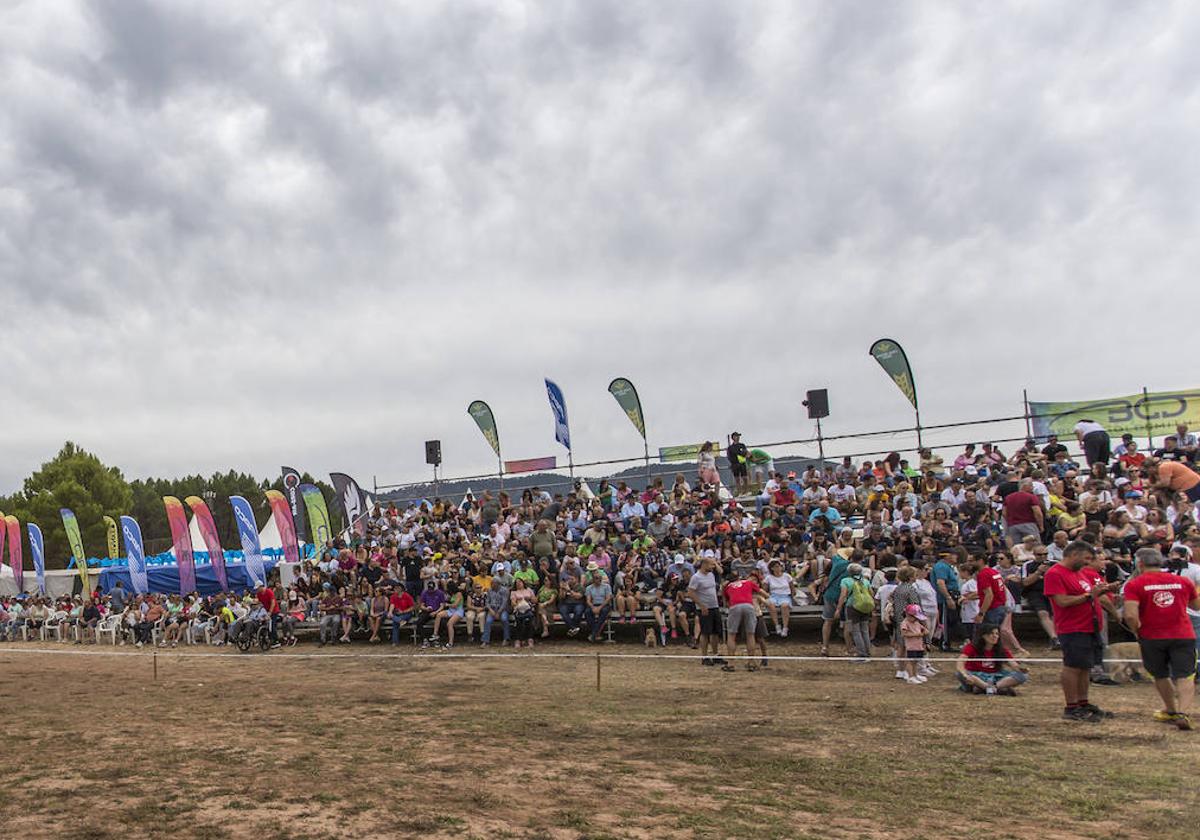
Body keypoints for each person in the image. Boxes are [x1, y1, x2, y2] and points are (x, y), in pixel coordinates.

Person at [1122, 548, 1200, 730]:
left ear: (1139, 564)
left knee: (1160, 674)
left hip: (1152, 636)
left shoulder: (1135, 584)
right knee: (1185, 675)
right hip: (1183, 634)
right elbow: (1196, 606)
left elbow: (1131, 615)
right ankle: (1184, 713)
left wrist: (1136, 631)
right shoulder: (1182, 581)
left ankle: (1171, 710)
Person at [1043, 541, 1121, 722]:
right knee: (1073, 666)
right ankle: (1071, 706)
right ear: (1073, 554)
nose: (1088, 562)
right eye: (1085, 558)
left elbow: (1090, 594)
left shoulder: (1079, 573)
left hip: (1089, 626)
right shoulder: (1055, 573)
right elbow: (1062, 601)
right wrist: (1089, 596)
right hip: (1072, 627)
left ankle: (1083, 702)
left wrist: (1105, 591)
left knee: (1085, 666)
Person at [956, 623, 1029, 696]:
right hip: (976, 676)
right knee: (960, 674)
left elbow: (1015, 666)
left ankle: (988, 688)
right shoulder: (971, 647)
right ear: (983, 635)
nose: (995, 636)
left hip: (997, 677)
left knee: (1023, 675)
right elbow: (960, 662)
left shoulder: (1002, 650)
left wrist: (1022, 666)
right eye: (991, 633)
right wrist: (965, 674)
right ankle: (994, 689)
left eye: (997, 634)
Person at [720, 568, 761, 672]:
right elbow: (760, 591)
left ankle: (731, 663)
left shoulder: (728, 586)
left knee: (731, 634)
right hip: (748, 605)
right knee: (750, 634)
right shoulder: (748, 582)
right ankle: (751, 662)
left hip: (735, 606)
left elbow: (726, 602)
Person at [834, 562, 873, 661]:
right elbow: (871, 593)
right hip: (865, 606)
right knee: (865, 630)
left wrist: (838, 608)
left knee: (856, 631)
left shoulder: (845, 581)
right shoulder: (865, 581)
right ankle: (868, 651)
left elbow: (843, 595)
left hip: (852, 607)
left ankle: (861, 653)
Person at [688, 556, 723, 666]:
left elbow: (720, 572)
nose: (713, 566)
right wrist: (701, 605)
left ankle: (715, 654)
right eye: (711, 564)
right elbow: (691, 592)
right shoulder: (696, 577)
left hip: (714, 606)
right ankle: (704, 656)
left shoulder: (711, 575)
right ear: (704, 564)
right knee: (705, 632)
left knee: (715, 632)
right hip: (704, 607)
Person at [900, 604, 929, 685]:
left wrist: (924, 632)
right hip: (911, 646)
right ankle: (910, 676)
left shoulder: (917, 623)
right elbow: (904, 634)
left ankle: (915, 675)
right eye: (914, 617)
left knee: (916, 661)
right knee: (910, 661)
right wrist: (917, 635)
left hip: (918, 646)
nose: (915, 619)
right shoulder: (905, 623)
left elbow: (926, 630)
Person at [583, 569, 613, 642]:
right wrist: (593, 607)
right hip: (593, 604)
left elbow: (608, 598)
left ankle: (593, 634)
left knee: (604, 612)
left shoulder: (606, 586)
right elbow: (588, 600)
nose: (599, 580)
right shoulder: (589, 588)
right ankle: (596, 633)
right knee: (587, 612)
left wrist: (600, 607)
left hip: (604, 604)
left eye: (600, 578)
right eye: (596, 578)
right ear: (593, 579)